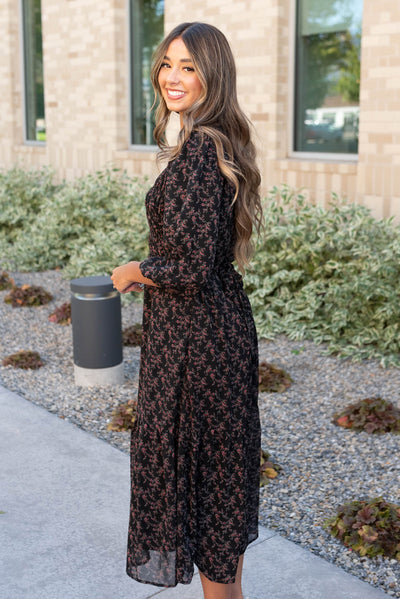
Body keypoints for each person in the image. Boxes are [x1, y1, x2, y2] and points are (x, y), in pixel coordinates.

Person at [111, 22, 263, 599]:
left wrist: (133, 271)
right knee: (216, 489)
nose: (172, 77)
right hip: (212, 333)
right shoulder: (214, 141)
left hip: (198, 346)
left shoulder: (203, 151)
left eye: (189, 67)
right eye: (167, 64)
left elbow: (191, 267)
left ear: (212, 76)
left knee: (203, 495)